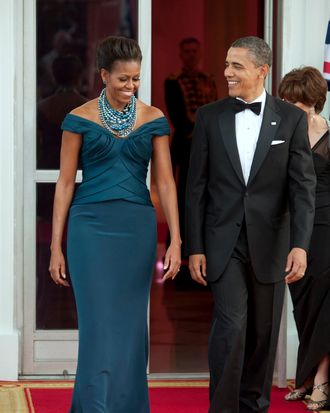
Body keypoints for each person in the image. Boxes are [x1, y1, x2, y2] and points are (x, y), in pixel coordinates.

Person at [49, 36, 181, 413]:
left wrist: (175, 240)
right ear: (104, 74)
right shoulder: (78, 118)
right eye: (123, 79)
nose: (131, 86)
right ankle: (94, 406)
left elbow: (165, 183)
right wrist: (57, 246)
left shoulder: (155, 119)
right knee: (97, 324)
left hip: (136, 230)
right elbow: (64, 182)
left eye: (136, 79)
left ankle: (127, 404)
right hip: (89, 229)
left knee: (129, 326)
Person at [185, 36, 316, 413]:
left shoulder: (290, 119)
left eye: (236, 66)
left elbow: (302, 188)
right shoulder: (210, 116)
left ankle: (253, 406)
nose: (226, 72)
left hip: (272, 243)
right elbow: (196, 188)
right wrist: (196, 246)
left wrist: (300, 245)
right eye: (226, 64)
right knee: (231, 326)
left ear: (262, 70)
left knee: (262, 333)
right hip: (223, 243)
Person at [279, 66, 330, 411]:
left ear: (313, 102)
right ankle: (309, 375)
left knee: (327, 304)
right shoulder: (281, 134)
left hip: (328, 226)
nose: (287, 107)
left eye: (295, 102)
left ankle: (323, 380)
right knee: (305, 304)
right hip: (294, 229)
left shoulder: (329, 135)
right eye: (285, 101)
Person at [164, 37, 217, 272]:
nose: (191, 55)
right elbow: (176, 115)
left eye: (195, 51)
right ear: (180, 54)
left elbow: (215, 110)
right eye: (187, 51)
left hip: (208, 146)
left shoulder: (210, 80)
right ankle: (181, 250)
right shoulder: (172, 81)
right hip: (185, 146)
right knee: (184, 194)